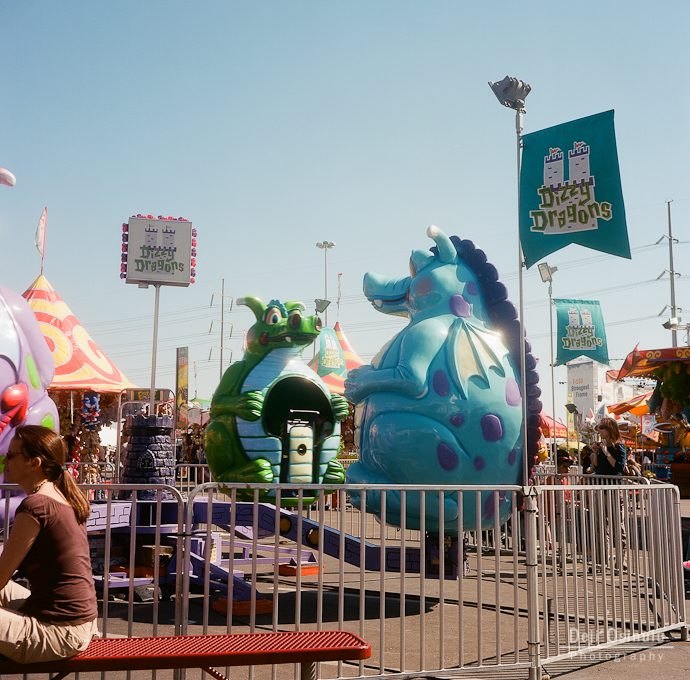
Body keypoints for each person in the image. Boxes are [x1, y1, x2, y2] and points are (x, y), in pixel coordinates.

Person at [0, 425, 98, 663]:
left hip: (59, 633)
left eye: (12, 455)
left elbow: (1, 575)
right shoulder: (59, 496)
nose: (5, 459)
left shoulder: (36, 505)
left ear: (34, 463)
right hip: (76, 624)